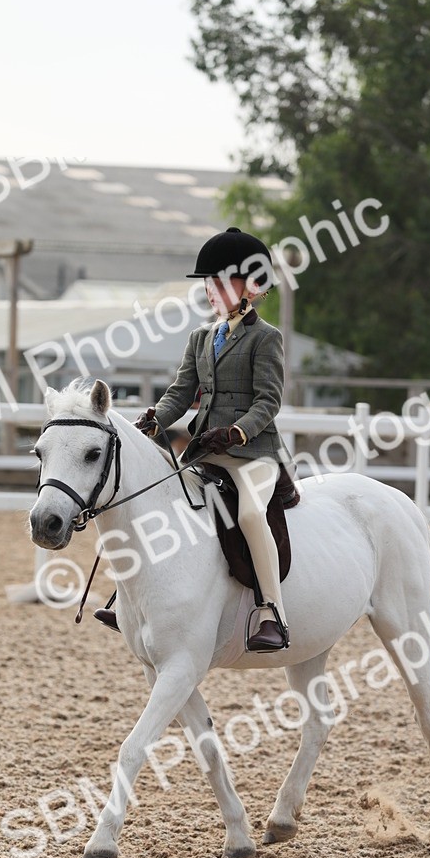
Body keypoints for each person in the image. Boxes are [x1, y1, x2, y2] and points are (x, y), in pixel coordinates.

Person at [97, 226, 294, 652]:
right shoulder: (201, 338)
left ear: (252, 287)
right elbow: (180, 392)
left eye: (221, 282)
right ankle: (127, 601)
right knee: (158, 504)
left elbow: (269, 401)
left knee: (249, 515)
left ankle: (271, 613)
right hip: (206, 452)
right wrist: (154, 420)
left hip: (253, 454)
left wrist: (237, 430)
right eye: (209, 282)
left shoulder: (266, 338)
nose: (211, 290)